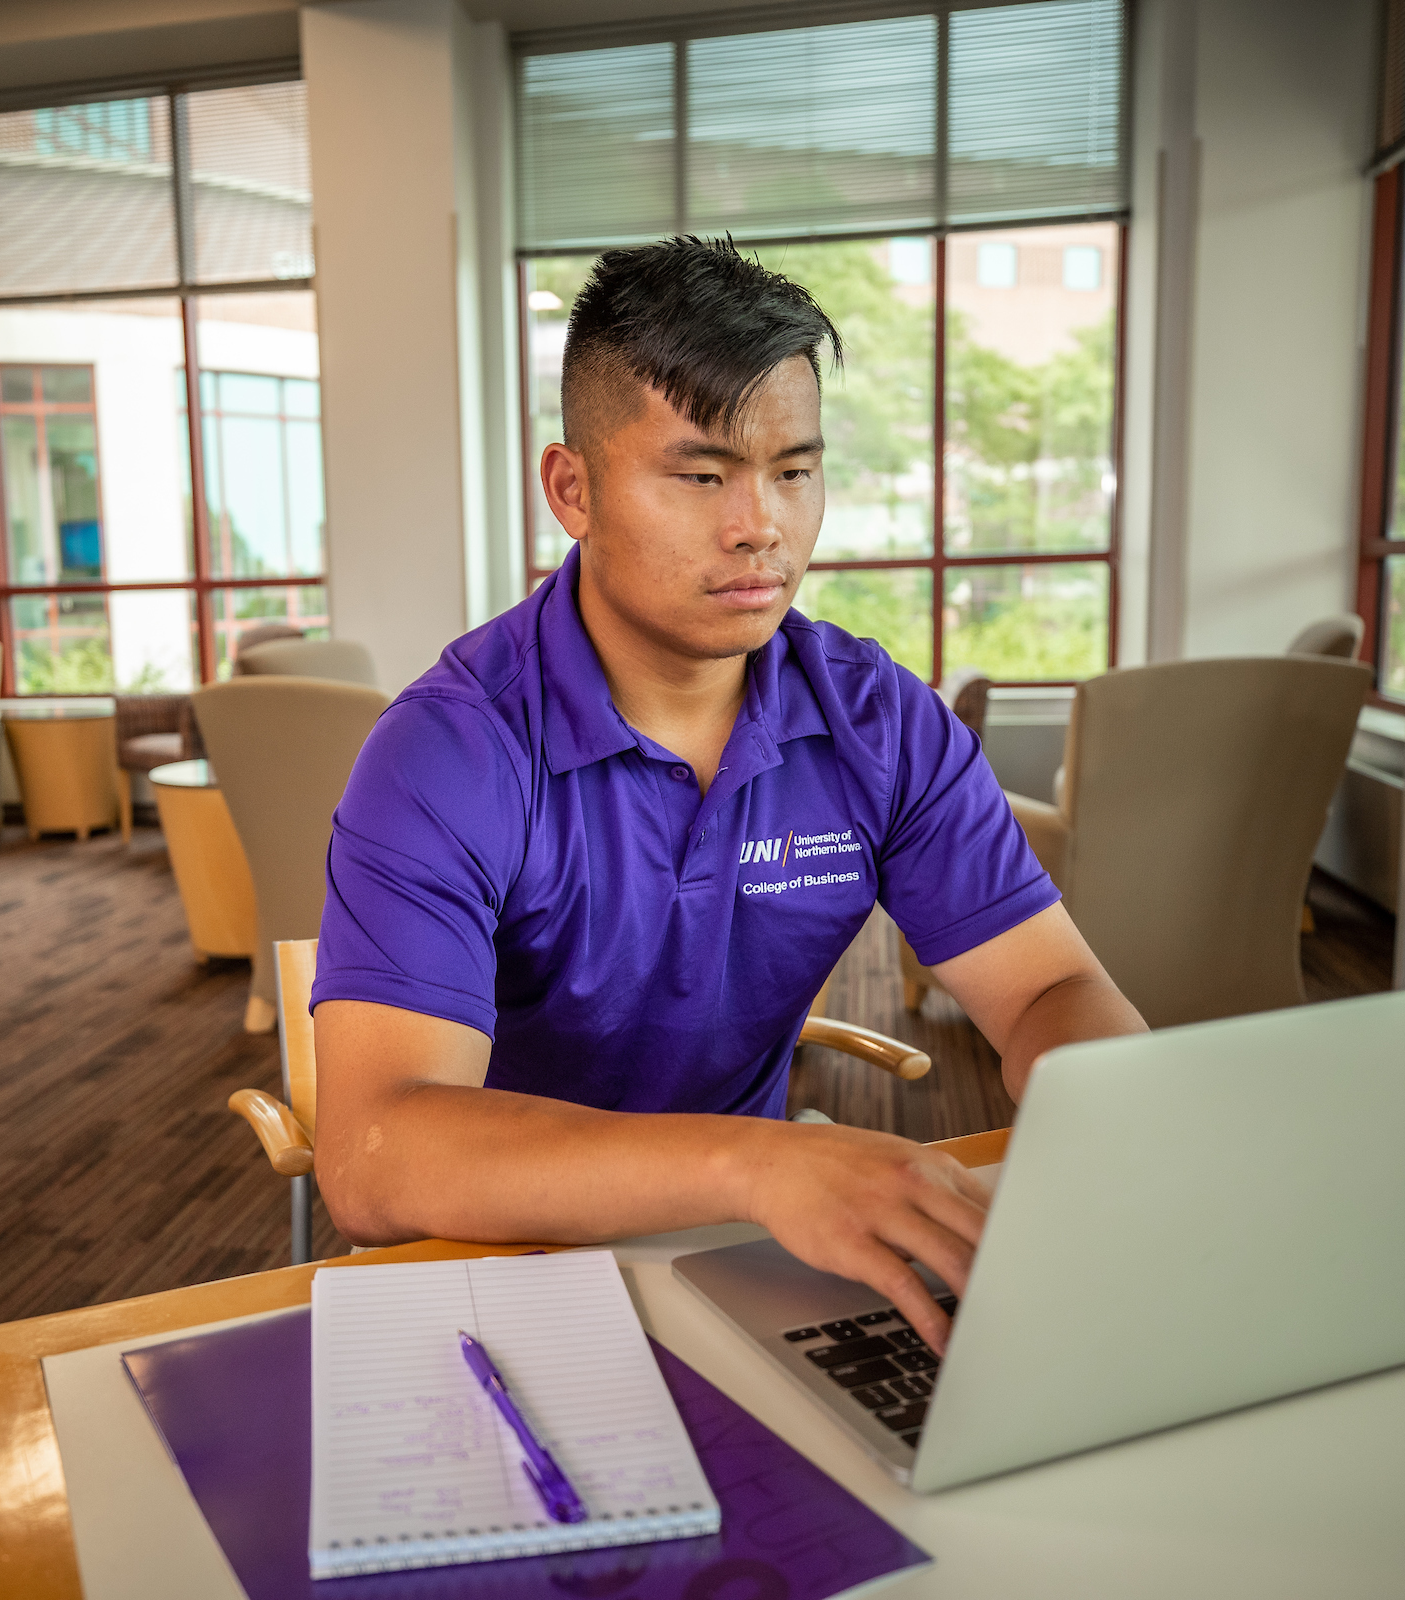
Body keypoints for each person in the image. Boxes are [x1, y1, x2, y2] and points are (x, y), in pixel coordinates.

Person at [311, 237, 1146, 1349]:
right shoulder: (449, 752)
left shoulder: (878, 722)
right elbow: (377, 1156)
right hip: (494, 1272)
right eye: (703, 474)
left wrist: (1129, 1137)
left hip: (737, 1257)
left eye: (794, 471)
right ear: (574, 488)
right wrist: (761, 1162)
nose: (763, 525)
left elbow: (1051, 990)